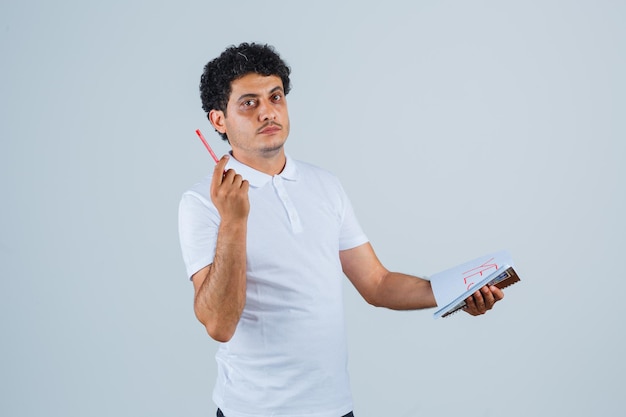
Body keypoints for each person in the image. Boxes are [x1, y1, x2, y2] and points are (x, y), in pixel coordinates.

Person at [178, 42, 504, 417]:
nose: (268, 111)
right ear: (218, 120)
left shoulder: (325, 185)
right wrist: (234, 222)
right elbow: (218, 324)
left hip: (334, 408)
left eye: (275, 96)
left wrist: (455, 293)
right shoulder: (202, 202)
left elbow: (377, 284)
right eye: (249, 103)